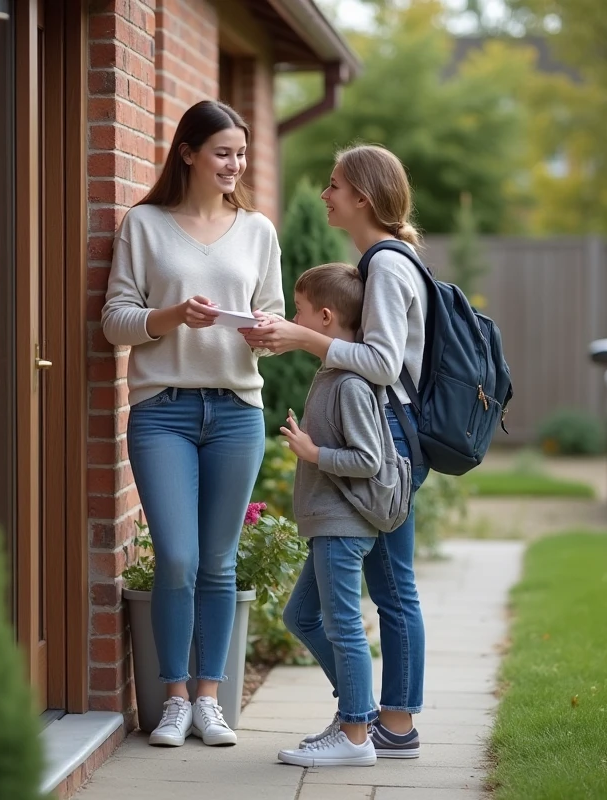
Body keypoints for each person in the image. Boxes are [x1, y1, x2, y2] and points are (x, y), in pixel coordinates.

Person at [101, 100, 285, 748]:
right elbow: (114, 320)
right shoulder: (144, 225)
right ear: (188, 154)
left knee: (218, 561)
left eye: (240, 152)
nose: (234, 164)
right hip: (164, 412)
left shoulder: (259, 231)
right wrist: (173, 315)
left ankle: (210, 698)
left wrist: (266, 334)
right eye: (222, 152)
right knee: (176, 557)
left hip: (237, 411)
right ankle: (173, 696)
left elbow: (275, 320)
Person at [242, 145, 429, 758]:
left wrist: (302, 337)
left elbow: (378, 364)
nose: (324, 195)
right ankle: (370, 718)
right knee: (365, 596)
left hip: (388, 437)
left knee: (391, 591)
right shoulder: (375, 263)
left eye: (334, 185)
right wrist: (294, 337)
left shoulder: (388, 266)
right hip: (384, 433)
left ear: (363, 198)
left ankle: (385, 725)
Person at [271, 263, 408, 768]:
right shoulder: (335, 373)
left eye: (300, 310)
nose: (293, 317)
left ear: (325, 317)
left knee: (343, 625)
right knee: (300, 616)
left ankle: (354, 738)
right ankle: (357, 712)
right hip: (331, 523)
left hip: (342, 524)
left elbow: (368, 460)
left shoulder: (349, 381)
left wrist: (313, 455)